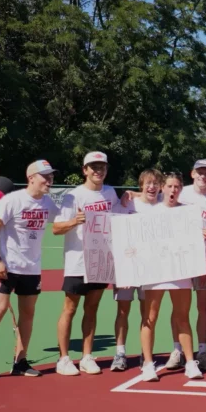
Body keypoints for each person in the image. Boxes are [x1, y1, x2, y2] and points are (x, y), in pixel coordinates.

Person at [0, 160, 59, 382]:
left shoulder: (48, 203)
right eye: (45, 176)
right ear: (31, 177)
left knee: (28, 314)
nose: (49, 180)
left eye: (51, 176)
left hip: (32, 269)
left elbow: (63, 219)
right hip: (7, 268)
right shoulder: (12, 200)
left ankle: (20, 361)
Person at [54, 152, 119, 376]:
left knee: (92, 309)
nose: (98, 170)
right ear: (84, 170)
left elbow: (120, 217)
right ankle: (63, 358)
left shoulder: (110, 193)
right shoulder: (72, 196)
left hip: (100, 261)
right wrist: (75, 221)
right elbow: (56, 228)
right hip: (77, 262)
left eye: (101, 166)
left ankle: (87, 356)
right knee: (69, 309)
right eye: (93, 167)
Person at [166, 159, 206, 373]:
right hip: (181, 260)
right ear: (192, 173)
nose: (203, 176)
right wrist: (132, 195)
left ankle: (202, 351)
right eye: (200, 172)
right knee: (179, 309)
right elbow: (160, 206)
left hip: (204, 260)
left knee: (203, 308)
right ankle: (178, 350)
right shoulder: (181, 194)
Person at [140, 173, 203, 382]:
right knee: (150, 317)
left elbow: (192, 243)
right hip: (155, 272)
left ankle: (190, 362)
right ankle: (148, 364)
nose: (173, 190)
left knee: (182, 317)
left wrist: (198, 236)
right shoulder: (150, 213)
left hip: (180, 271)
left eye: (177, 186)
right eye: (169, 186)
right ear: (162, 188)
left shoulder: (188, 213)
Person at [109, 169, 163, 372]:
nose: (152, 187)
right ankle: (120, 353)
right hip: (126, 267)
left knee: (147, 313)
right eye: (148, 183)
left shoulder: (163, 206)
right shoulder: (126, 204)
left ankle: (145, 353)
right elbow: (114, 234)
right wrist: (121, 266)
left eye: (156, 183)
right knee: (122, 310)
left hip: (150, 269)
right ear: (141, 185)